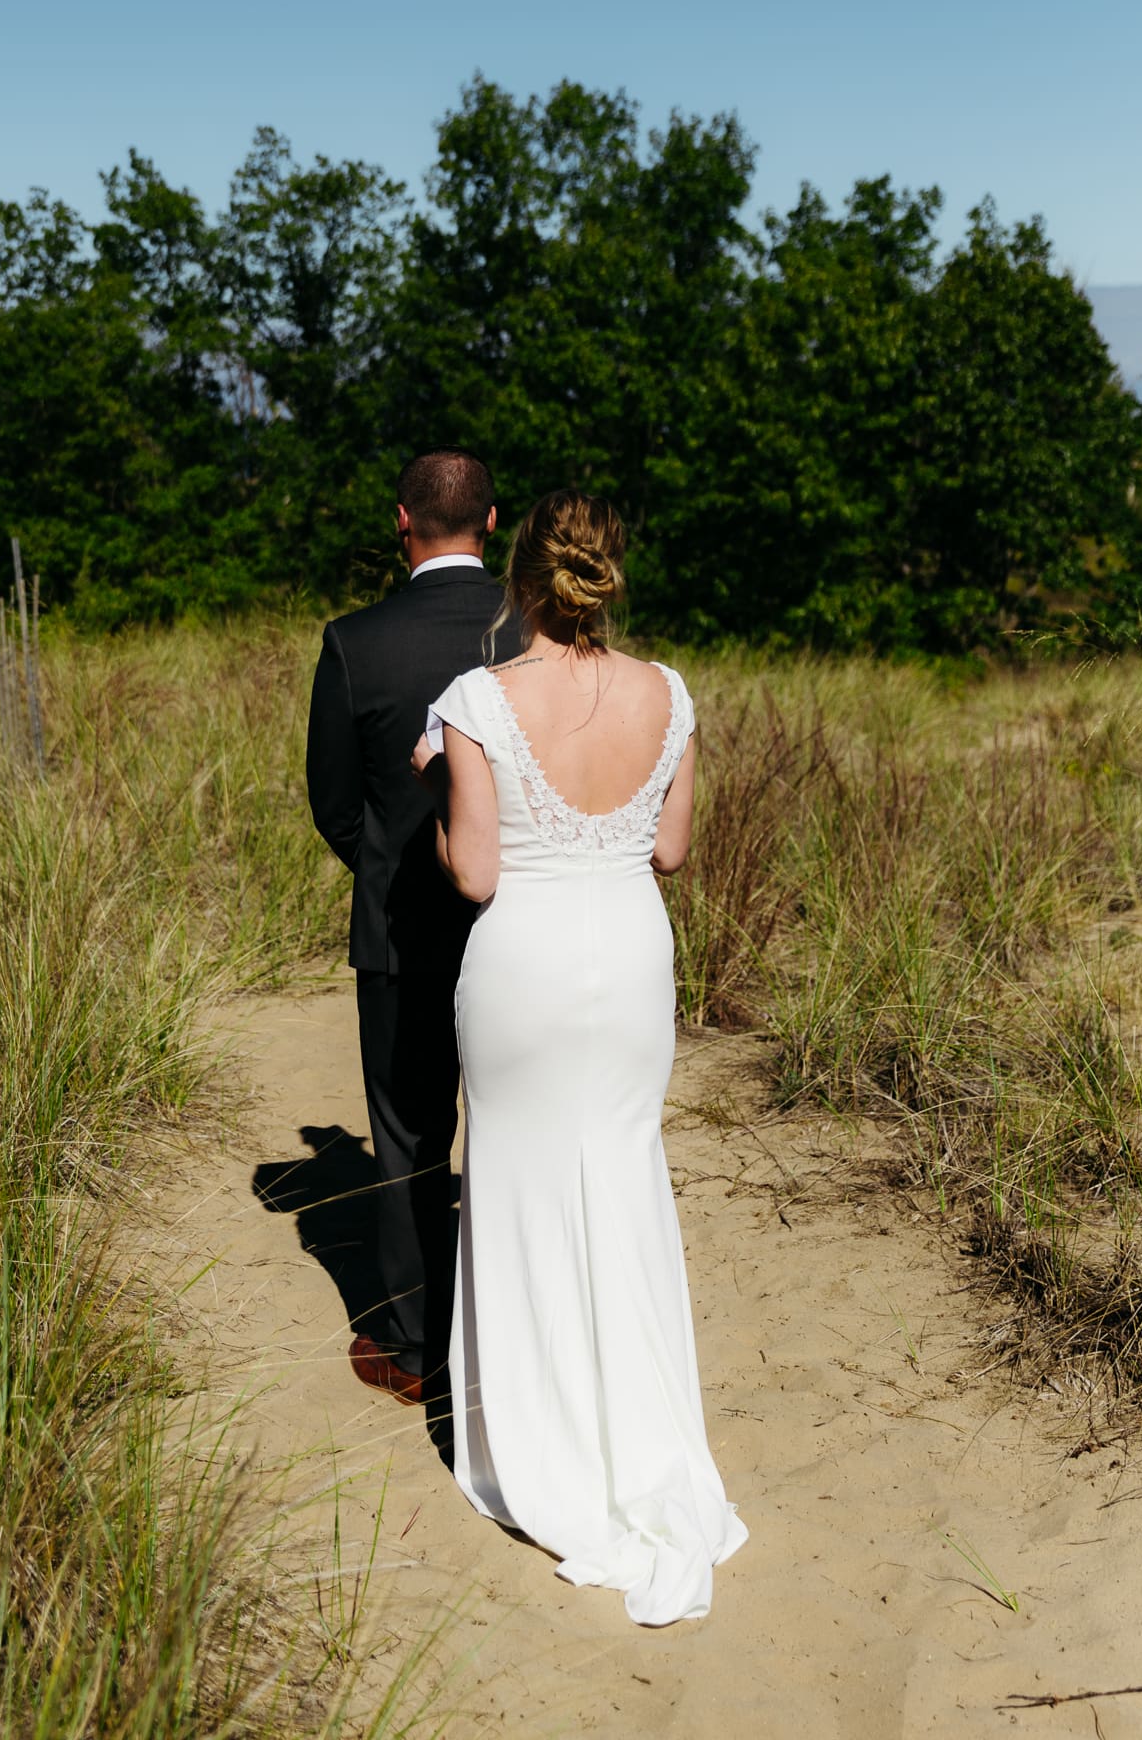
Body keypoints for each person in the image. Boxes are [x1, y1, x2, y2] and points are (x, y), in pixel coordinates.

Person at [413, 489, 748, 1625]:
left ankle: (546, 1440)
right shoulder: (672, 693)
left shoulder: (474, 699)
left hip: (525, 965)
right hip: (629, 964)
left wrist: (436, 786)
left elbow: (475, 874)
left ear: (521, 577)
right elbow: (670, 848)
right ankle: (642, 1432)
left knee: (517, 1184)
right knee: (620, 1175)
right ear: (610, 572)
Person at [306, 448, 510, 1405]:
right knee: (517, 1128)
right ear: (493, 521)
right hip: (521, 926)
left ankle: (412, 1340)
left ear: (401, 521)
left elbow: (335, 806)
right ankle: (511, 1331)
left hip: (400, 929)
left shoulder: (354, 641)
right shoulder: (537, 634)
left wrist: (396, 868)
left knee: (406, 1137)